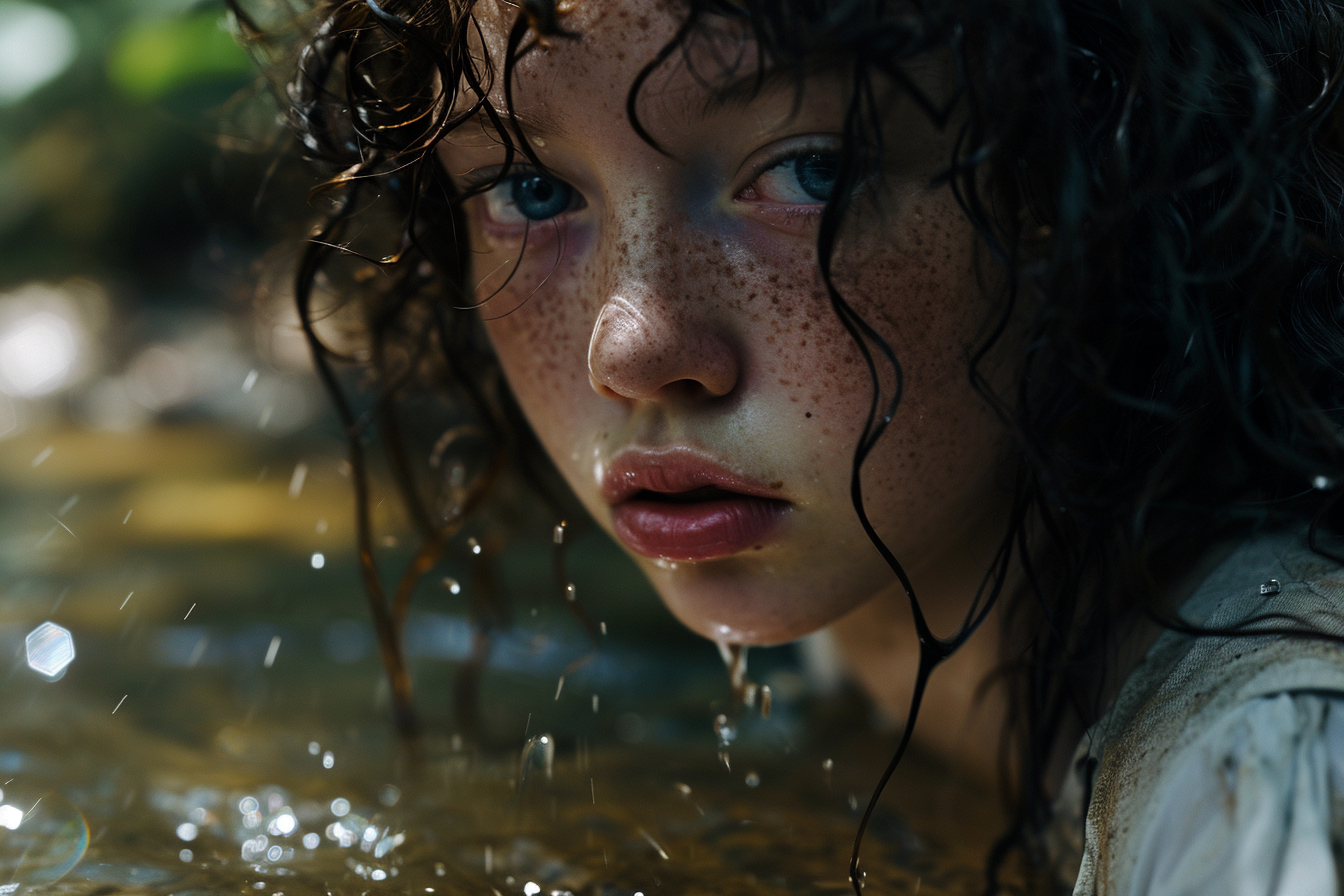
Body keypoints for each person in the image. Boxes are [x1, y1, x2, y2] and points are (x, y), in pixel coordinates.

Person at [248, 0, 1344, 892]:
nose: (632, 346)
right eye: (532, 190)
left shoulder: (1271, 777)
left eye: (813, 170)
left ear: (1089, 180)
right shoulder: (880, 590)